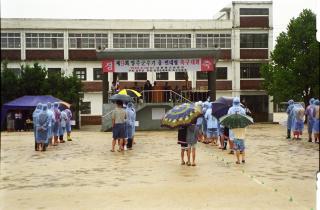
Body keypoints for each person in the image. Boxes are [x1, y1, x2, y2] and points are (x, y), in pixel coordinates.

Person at [228, 97, 246, 164]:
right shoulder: (242, 110)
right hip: (241, 130)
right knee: (243, 147)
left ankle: (238, 160)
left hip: (234, 128)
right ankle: (243, 159)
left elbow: (228, 117)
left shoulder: (230, 109)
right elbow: (245, 118)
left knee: (236, 147)